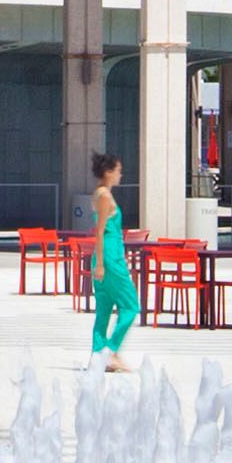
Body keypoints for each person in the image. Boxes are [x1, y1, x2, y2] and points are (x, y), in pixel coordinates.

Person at [86, 155, 139, 374]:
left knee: (104, 308)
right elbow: (100, 231)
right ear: (108, 172)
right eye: (118, 170)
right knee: (131, 305)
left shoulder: (99, 193)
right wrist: (100, 263)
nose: (120, 174)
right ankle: (111, 350)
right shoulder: (105, 195)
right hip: (109, 257)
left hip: (105, 256)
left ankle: (98, 354)